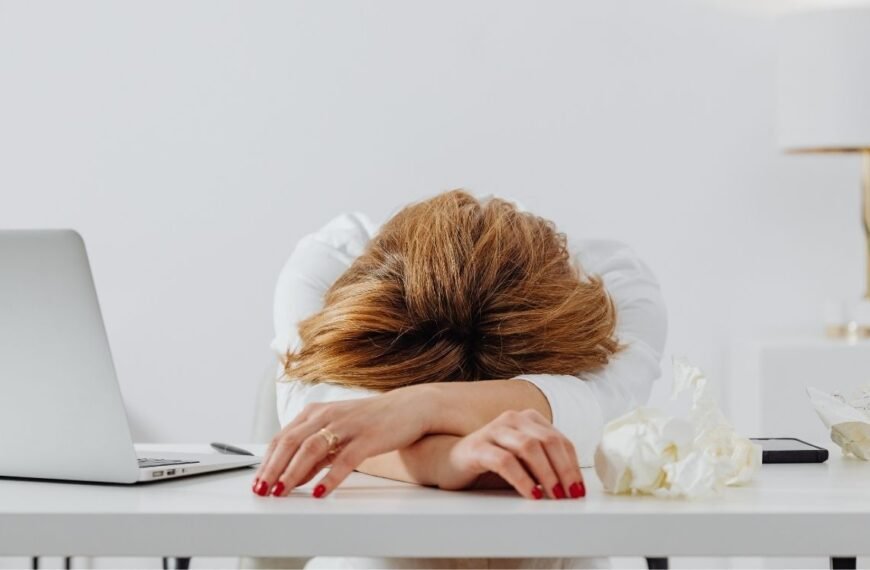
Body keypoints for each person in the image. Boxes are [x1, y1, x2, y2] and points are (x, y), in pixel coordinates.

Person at [253, 190, 666, 568]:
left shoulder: (613, 281)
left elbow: (603, 412)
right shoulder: (331, 258)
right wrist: (448, 458)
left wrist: (419, 406)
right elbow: (326, 423)